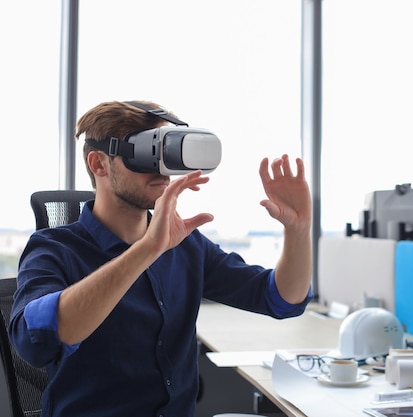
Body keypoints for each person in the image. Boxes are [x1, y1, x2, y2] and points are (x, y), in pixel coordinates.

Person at [9, 100, 313, 417]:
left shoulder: (186, 245)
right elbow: (36, 341)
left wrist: (298, 230)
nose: (161, 168)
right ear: (98, 164)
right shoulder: (54, 248)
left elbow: (281, 299)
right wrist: (147, 250)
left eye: (165, 153)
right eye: (144, 153)